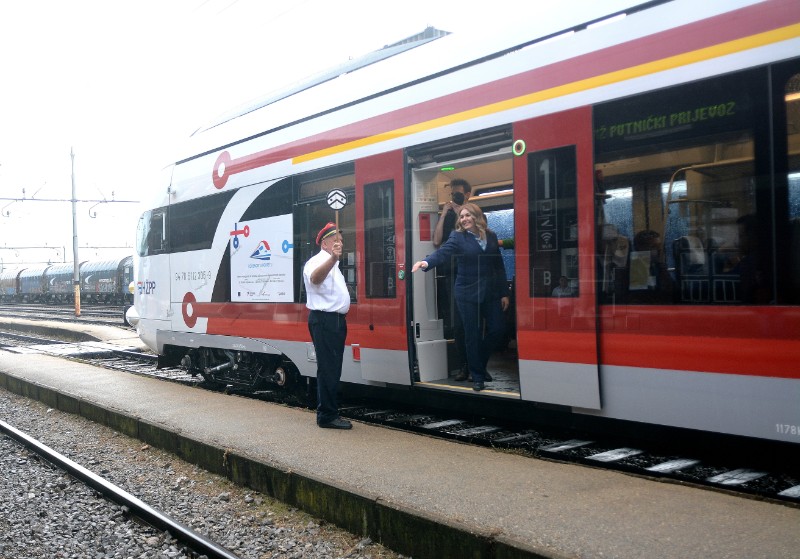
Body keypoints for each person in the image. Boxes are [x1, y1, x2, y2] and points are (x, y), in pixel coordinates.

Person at [412, 203, 510, 392]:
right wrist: (425, 262)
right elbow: (442, 253)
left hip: (490, 292)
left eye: (467, 215)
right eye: (462, 216)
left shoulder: (491, 236)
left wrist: (504, 292)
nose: (464, 219)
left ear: (476, 216)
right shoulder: (457, 237)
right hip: (466, 292)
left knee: (498, 329)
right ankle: (478, 377)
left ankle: (478, 363)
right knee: (472, 334)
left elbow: (498, 265)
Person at [303, 222, 352, 429]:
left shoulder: (333, 263)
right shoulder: (318, 261)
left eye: (341, 240)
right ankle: (327, 415)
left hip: (335, 321)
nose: (340, 243)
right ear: (325, 244)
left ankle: (330, 412)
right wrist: (333, 258)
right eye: (335, 240)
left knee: (332, 368)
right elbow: (315, 279)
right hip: (325, 320)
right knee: (328, 369)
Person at [432, 179, 472, 381]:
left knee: (470, 322)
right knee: (457, 323)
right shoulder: (448, 215)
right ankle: (464, 366)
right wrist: (444, 213)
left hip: (470, 275)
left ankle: (475, 366)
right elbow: (437, 241)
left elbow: (474, 235)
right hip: (450, 274)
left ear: (467, 195)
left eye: (459, 194)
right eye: (453, 195)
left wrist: (460, 211)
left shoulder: (473, 214)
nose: (455, 198)